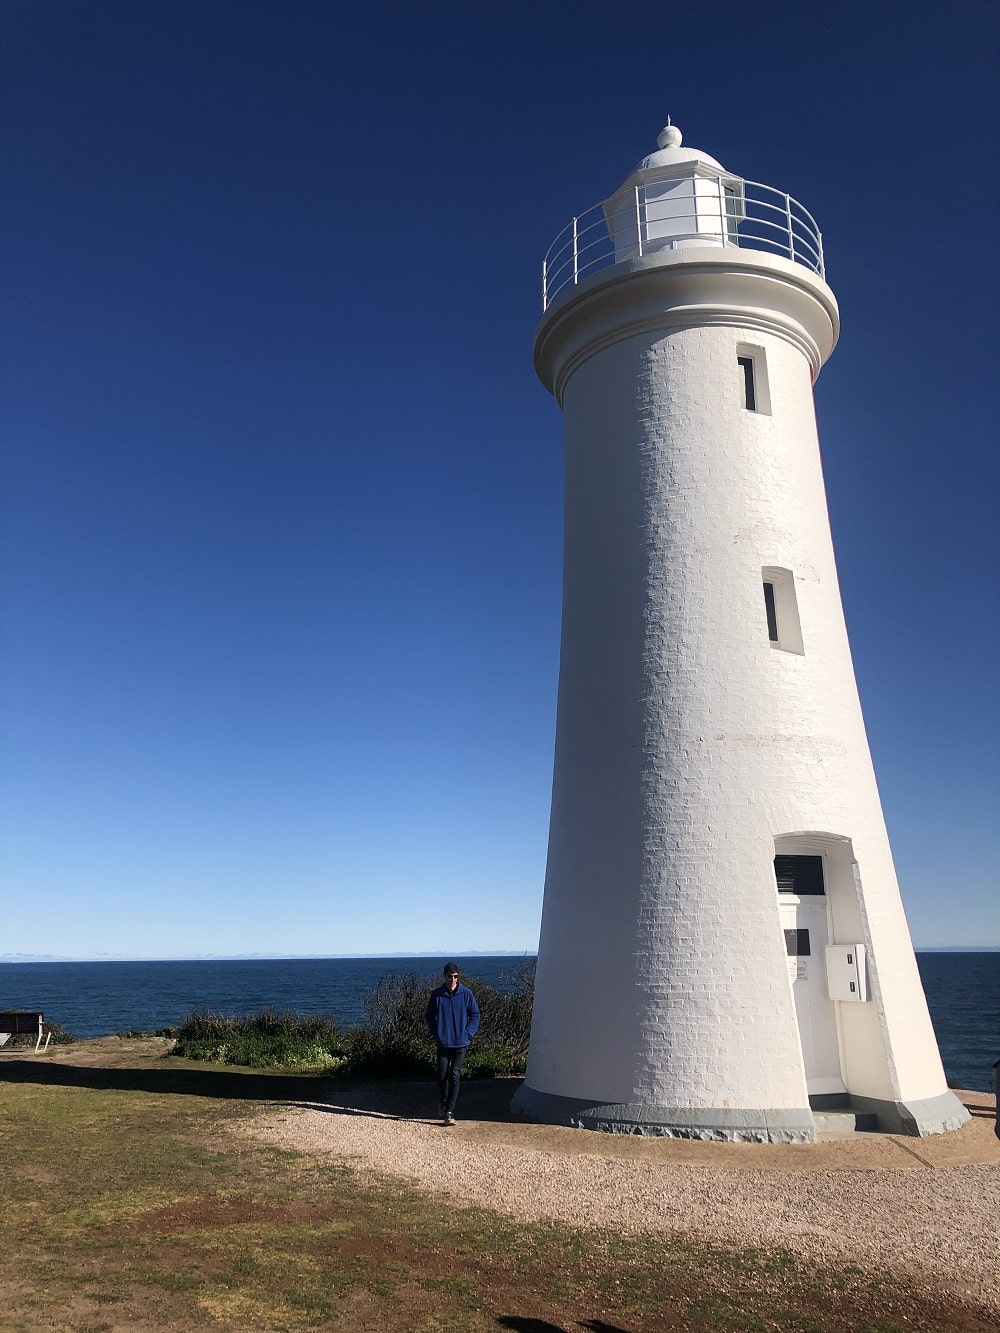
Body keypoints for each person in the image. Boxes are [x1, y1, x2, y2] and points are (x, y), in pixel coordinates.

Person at [425, 962, 480, 1126]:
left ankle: (449, 1111)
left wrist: (468, 1034)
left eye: (455, 977)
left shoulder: (466, 994)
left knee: (455, 1075)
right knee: (441, 1076)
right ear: (445, 977)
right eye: (450, 976)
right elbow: (429, 1016)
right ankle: (443, 1100)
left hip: (460, 1044)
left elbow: (475, 1014)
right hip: (443, 1044)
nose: (453, 979)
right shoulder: (437, 995)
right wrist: (437, 1034)